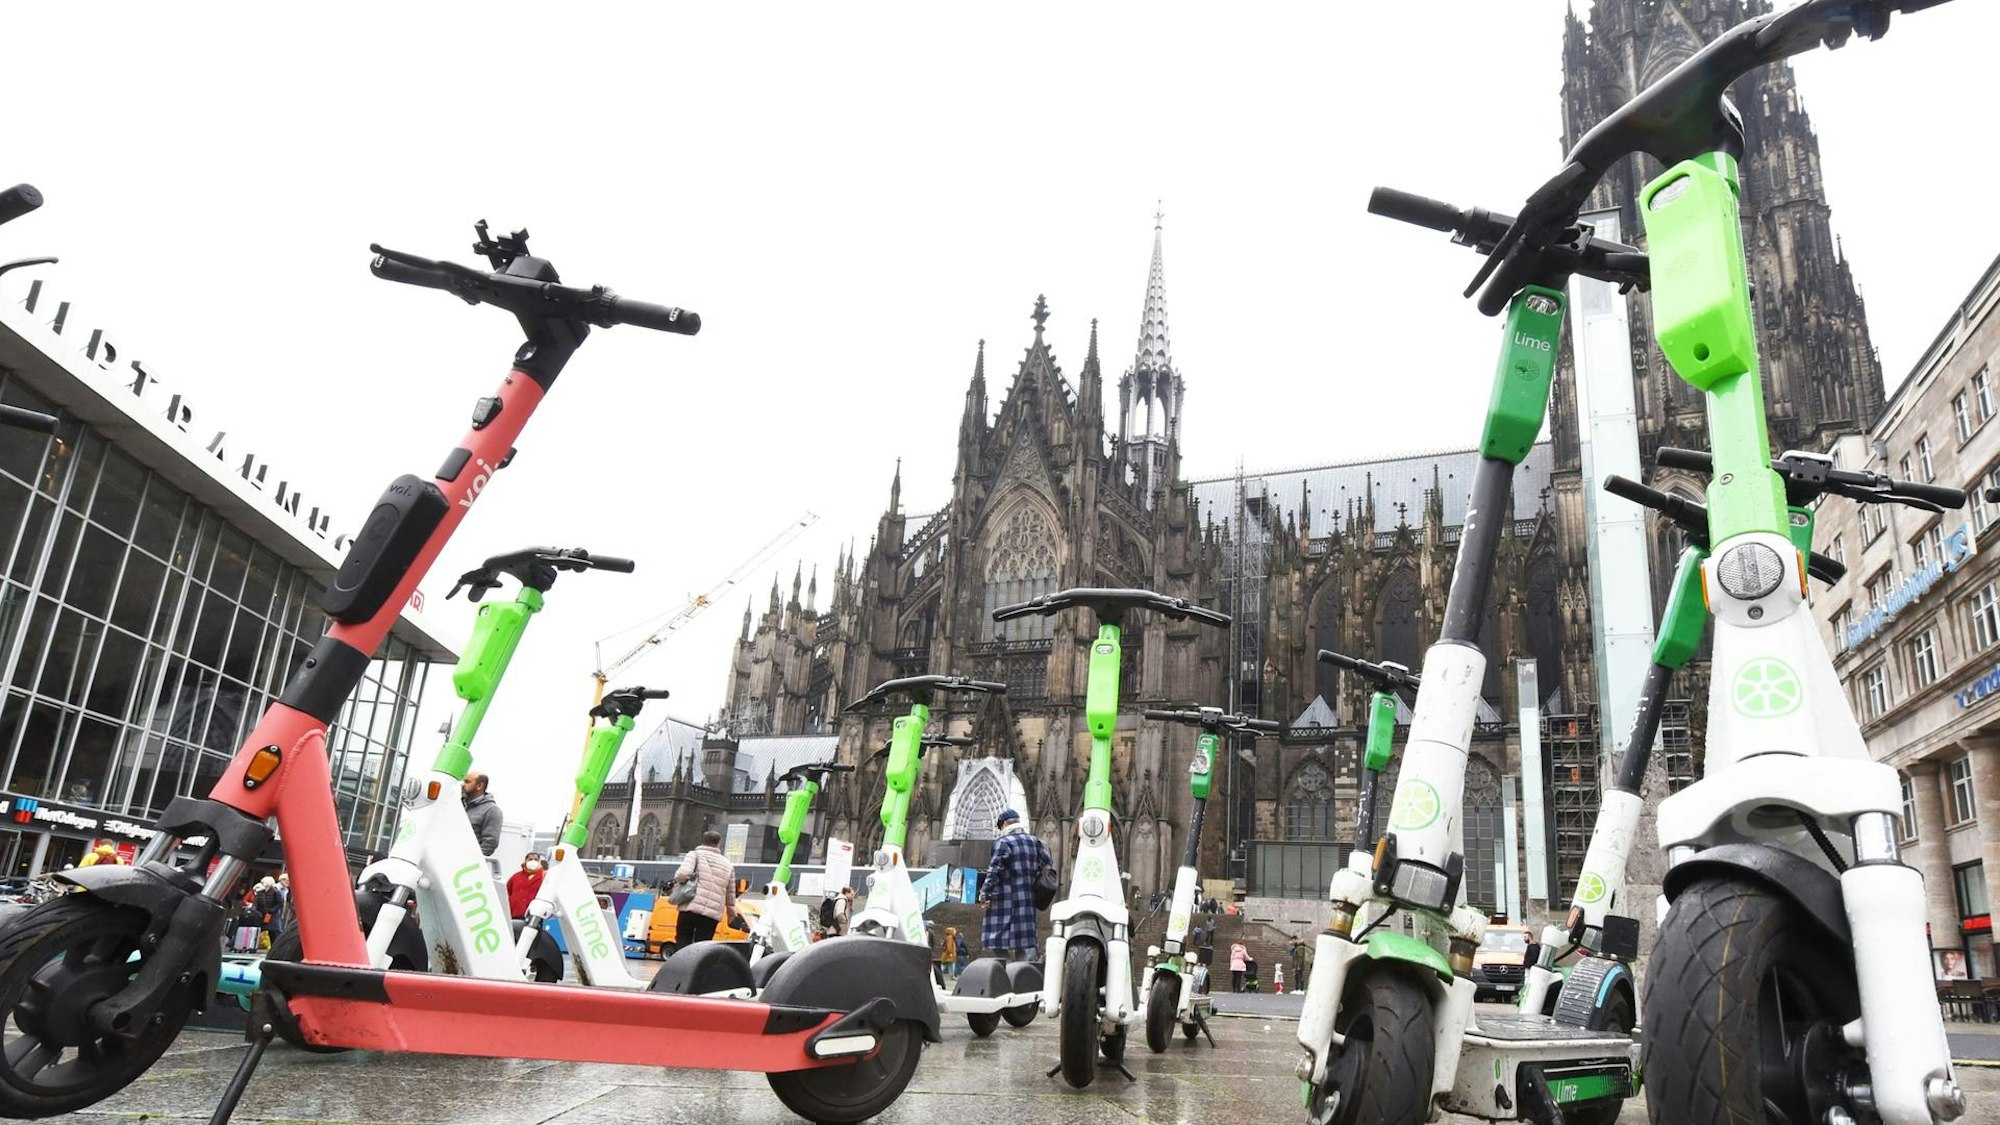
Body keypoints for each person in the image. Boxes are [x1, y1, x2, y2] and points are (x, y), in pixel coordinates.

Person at [979, 808, 1051, 963]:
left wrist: (985, 894)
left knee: (997, 941)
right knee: (1024, 943)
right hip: (1026, 900)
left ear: (1004, 824)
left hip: (1003, 901)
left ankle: (1004, 972)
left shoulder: (1003, 843)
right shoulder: (1034, 842)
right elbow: (1047, 865)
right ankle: (1020, 976)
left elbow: (994, 871)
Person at [670, 830, 737, 947]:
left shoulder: (694, 855)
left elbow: (683, 874)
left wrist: (678, 879)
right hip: (712, 913)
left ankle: (683, 964)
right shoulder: (727, 864)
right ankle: (698, 965)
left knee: (683, 938)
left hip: (691, 906)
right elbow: (730, 892)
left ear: (703, 841)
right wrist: (731, 913)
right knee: (702, 945)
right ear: (718, 844)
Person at [461, 772, 502, 856]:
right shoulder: (459, 805)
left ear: (479, 786)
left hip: (465, 864)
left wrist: (470, 860)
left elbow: (490, 843)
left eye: (467, 782)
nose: (462, 785)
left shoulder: (492, 810)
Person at [506, 852, 546, 919]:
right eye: (530, 859)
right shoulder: (516, 877)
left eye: (536, 859)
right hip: (514, 914)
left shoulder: (544, 877)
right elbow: (507, 891)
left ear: (539, 862)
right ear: (526, 861)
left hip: (534, 916)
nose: (533, 861)